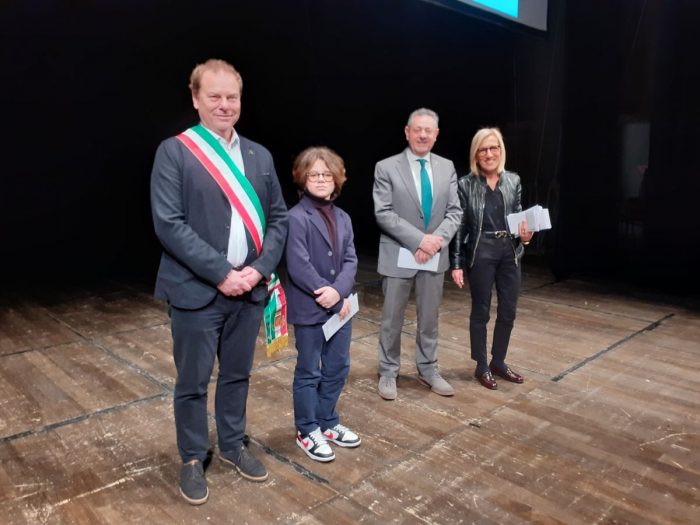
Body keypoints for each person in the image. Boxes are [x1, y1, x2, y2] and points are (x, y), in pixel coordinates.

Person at [150, 59, 288, 505]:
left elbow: (279, 220)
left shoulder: (260, 156)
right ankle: (192, 456)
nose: (224, 105)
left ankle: (231, 444)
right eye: (215, 96)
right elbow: (169, 224)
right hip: (196, 292)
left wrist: (258, 270)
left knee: (237, 375)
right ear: (195, 99)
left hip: (249, 290)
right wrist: (222, 274)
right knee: (192, 382)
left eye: (232, 97)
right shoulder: (175, 152)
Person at [373, 108, 462, 400]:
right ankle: (388, 371)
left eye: (428, 130)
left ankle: (428, 369)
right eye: (417, 129)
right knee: (392, 319)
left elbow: (454, 212)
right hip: (398, 253)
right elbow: (383, 213)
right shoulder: (386, 167)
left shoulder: (447, 167)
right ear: (407, 132)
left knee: (429, 319)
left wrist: (434, 243)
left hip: (434, 255)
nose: (423, 135)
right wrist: (420, 241)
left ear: (436, 135)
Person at [285, 147, 360, 462]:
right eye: (313, 174)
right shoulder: (295, 217)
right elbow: (298, 264)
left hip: (340, 308)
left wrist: (338, 293)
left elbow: (351, 260)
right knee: (309, 371)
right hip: (310, 307)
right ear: (303, 178)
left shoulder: (343, 217)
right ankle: (307, 430)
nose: (320, 179)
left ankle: (327, 421)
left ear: (336, 179)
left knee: (338, 367)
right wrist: (328, 294)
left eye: (326, 174)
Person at [449, 127, 533, 390]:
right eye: (483, 149)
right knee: (481, 312)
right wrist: (456, 263)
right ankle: (481, 365)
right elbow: (460, 226)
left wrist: (526, 237)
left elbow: (519, 217)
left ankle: (498, 361)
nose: (488, 154)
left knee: (508, 311)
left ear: (500, 151)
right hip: (481, 249)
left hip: (509, 251)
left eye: (493, 148)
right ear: (476, 154)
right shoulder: (465, 184)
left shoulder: (513, 181)